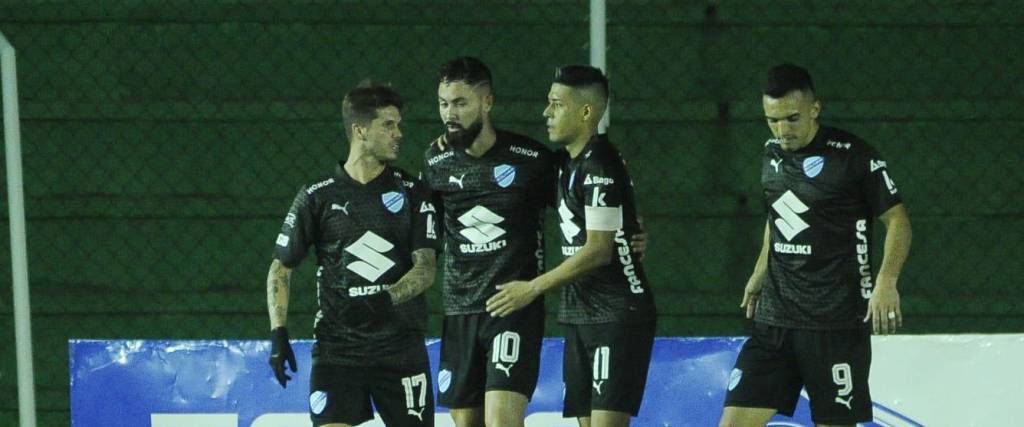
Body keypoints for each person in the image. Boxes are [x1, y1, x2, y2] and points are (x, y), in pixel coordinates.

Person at [719, 64, 912, 427]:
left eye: (792, 119)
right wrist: (760, 270)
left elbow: (898, 221)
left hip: (835, 323)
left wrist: (887, 282)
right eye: (772, 120)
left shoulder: (854, 156)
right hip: (775, 320)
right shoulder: (771, 153)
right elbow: (777, 215)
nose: (782, 130)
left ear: (815, 109)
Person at [486, 65, 657, 427]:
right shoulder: (567, 163)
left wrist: (531, 288)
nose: (546, 113)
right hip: (581, 314)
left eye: (556, 104)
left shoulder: (600, 164)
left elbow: (598, 250)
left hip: (617, 314)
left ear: (585, 112)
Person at [266, 82, 440, 427]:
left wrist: (382, 301)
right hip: (337, 353)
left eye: (398, 124)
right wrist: (278, 334)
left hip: (401, 351)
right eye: (388, 125)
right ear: (360, 130)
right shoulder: (316, 196)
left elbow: (426, 269)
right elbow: (280, 268)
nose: (398, 134)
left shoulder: (414, 193)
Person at [421, 56, 555, 427]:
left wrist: (629, 226)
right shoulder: (435, 161)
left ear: (487, 102)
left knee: (501, 422)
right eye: (444, 103)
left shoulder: (531, 160)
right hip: (460, 309)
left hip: (512, 307)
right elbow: (425, 231)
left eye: (461, 103)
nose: (450, 113)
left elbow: (583, 207)